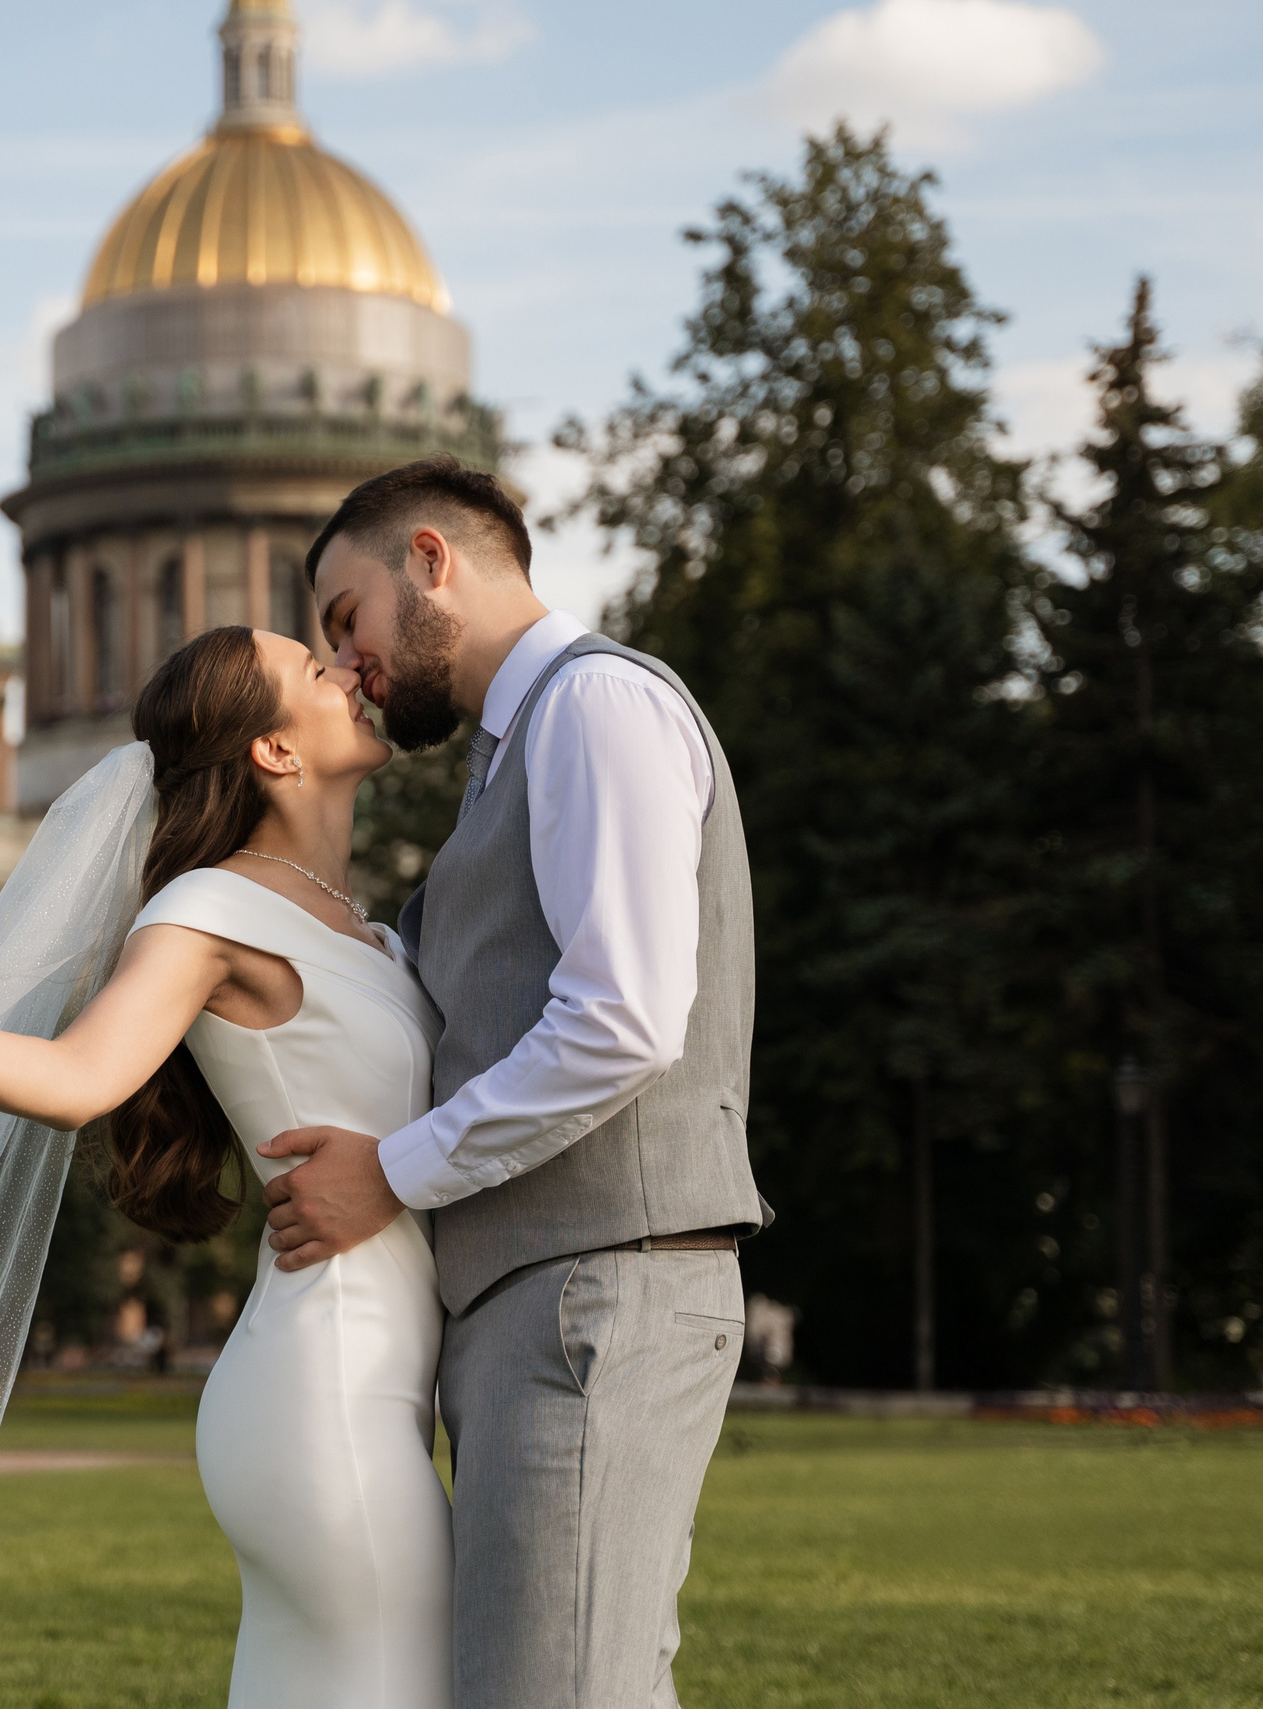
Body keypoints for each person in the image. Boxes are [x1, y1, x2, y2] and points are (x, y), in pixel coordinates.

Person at [0, 622, 455, 1709]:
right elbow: (79, 1074)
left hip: (376, 1381)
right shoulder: (209, 907)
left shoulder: (376, 935)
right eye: (316, 668)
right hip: (327, 1388)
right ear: (274, 751)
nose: (351, 668)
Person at [254, 456, 772, 1708]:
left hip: (601, 1283)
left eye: (347, 618)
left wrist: (391, 1169)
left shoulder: (596, 707)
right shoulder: (507, 760)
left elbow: (622, 1017)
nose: (348, 664)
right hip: (540, 1298)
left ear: (430, 559)